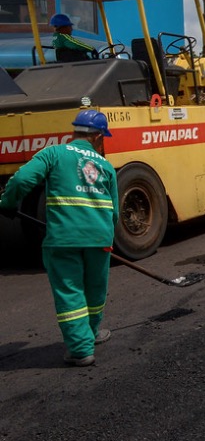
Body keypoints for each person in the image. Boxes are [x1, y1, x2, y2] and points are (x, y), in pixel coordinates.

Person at [0, 110, 118, 366]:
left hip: (64, 238)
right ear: (98, 137)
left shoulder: (54, 153)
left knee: (70, 291)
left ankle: (81, 349)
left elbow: (21, 180)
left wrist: (7, 203)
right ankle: (91, 333)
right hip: (100, 238)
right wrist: (106, 236)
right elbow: (115, 211)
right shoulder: (106, 166)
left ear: (74, 132)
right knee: (95, 289)